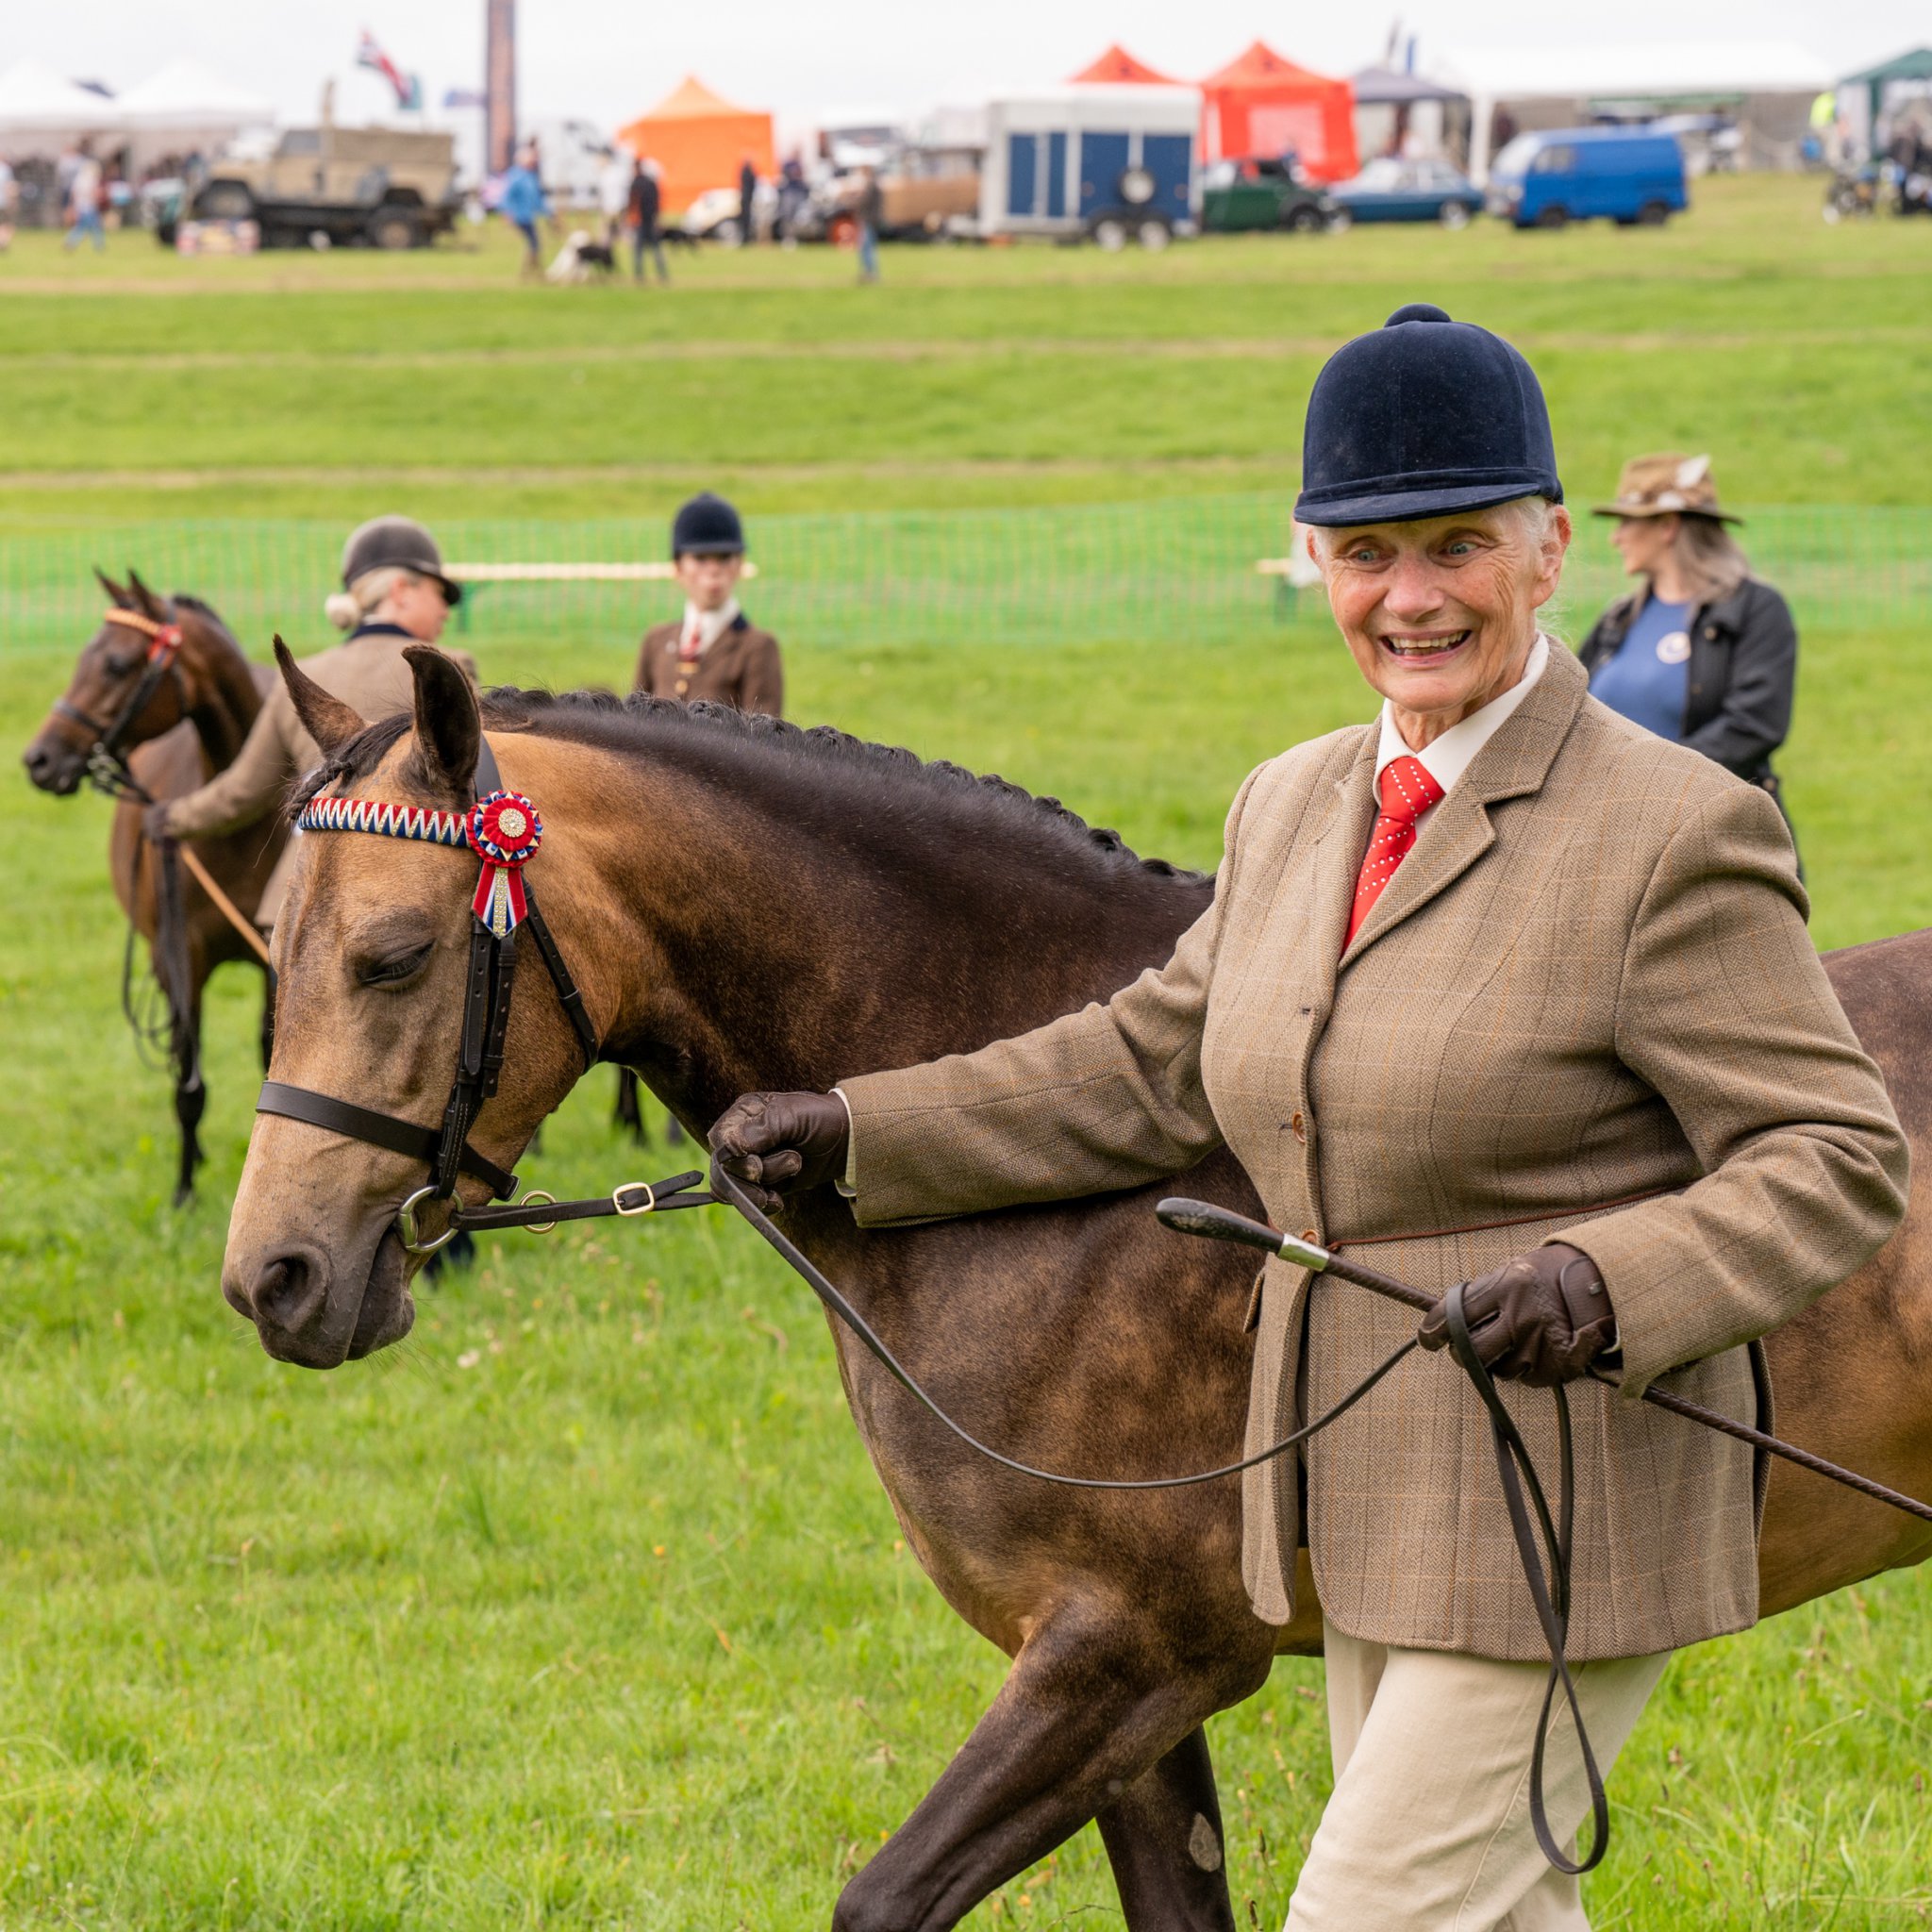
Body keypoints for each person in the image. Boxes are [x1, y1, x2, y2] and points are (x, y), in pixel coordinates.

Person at [708, 305, 1908, 1928]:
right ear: (1312, 561)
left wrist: (1610, 1278)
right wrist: (866, 1131)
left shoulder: (1673, 829)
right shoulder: (1292, 801)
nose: (1407, 595)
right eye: (1363, 553)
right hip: (1351, 1492)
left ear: (1548, 549)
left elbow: (1834, 1158)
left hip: (1566, 1489)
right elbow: (1147, 1061)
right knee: (1487, 1911)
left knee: (1369, 1910)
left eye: (1455, 546)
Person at [144, 517, 478, 935]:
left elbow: (241, 793)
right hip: (400, 902)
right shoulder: (445, 670)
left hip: (295, 905)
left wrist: (170, 818)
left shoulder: (304, 677)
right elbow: (471, 779)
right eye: (439, 593)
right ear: (402, 591)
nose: (446, 608)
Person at [1579, 454, 1799, 841]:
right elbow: (1570, 706)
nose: (1616, 537)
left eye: (1627, 521)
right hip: (1611, 834)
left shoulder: (1756, 611)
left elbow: (1754, 726)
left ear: (1667, 525)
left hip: (1714, 838)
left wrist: (1650, 783)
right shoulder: (1618, 618)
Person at [633, 493, 782, 715]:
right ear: (678, 567)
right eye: (700, 558)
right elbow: (633, 725)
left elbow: (762, 741)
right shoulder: (656, 642)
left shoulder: (757, 648)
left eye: (724, 558)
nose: (713, 570)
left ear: (740, 564)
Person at [500, 143, 549, 278]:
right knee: (534, 243)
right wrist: (507, 213)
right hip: (519, 216)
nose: (534, 161)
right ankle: (533, 272)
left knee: (533, 243)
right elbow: (507, 197)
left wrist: (549, 214)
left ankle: (530, 272)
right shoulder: (516, 175)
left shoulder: (531, 176)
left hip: (528, 216)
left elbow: (537, 199)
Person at [626, 156, 668, 285]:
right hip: (650, 220)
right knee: (656, 249)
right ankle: (662, 276)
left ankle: (639, 277)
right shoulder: (651, 183)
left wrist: (631, 220)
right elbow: (657, 204)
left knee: (639, 251)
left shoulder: (635, 183)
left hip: (640, 222)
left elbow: (633, 204)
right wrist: (657, 219)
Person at [63, 143, 105, 253]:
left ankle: (71, 242)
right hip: (88, 206)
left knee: (83, 226)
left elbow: (74, 192)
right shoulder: (89, 179)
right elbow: (91, 192)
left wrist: (73, 205)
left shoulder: (79, 178)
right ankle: (98, 244)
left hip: (81, 205)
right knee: (93, 226)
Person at [855, 166, 882, 283]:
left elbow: (863, 202)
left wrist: (857, 198)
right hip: (870, 220)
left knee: (867, 247)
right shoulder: (874, 186)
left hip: (868, 220)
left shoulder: (871, 187)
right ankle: (869, 272)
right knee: (867, 247)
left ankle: (870, 273)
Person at [738, 156, 758, 243]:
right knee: (746, 219)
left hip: (746, 198)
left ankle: (746, 238)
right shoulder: (748, 172)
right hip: (747, 199)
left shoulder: (745, 171)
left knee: (746, 219)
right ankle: (745, 238)